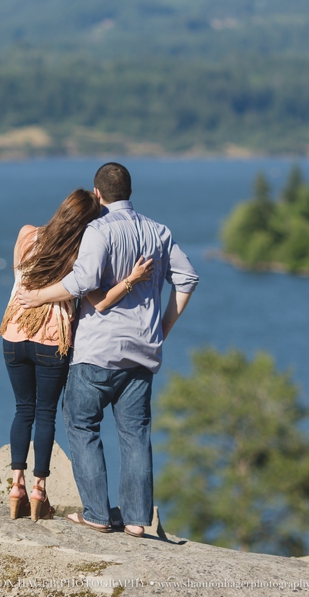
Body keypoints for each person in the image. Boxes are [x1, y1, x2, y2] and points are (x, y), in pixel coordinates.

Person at [17, 163, 199, 537]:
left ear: (98, 195)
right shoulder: (158, 231)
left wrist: (36, 296)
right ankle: (135, 520)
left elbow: (82, 282)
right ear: (130, 191)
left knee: (82, 425)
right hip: (142, 354)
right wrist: (162, 329)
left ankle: (97, 514)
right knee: (135, 435)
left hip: (96, 351)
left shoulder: (98, 230)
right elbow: (188, 278)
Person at [0, 188, 154, 521]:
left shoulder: (27, 234)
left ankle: (16, 486)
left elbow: (18, 277)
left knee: (22, 409)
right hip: (51, 341)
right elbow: (99, 301)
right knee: (45, 413)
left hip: (13, 333)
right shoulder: (80, 256)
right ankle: (39, 491)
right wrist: (131, 280)